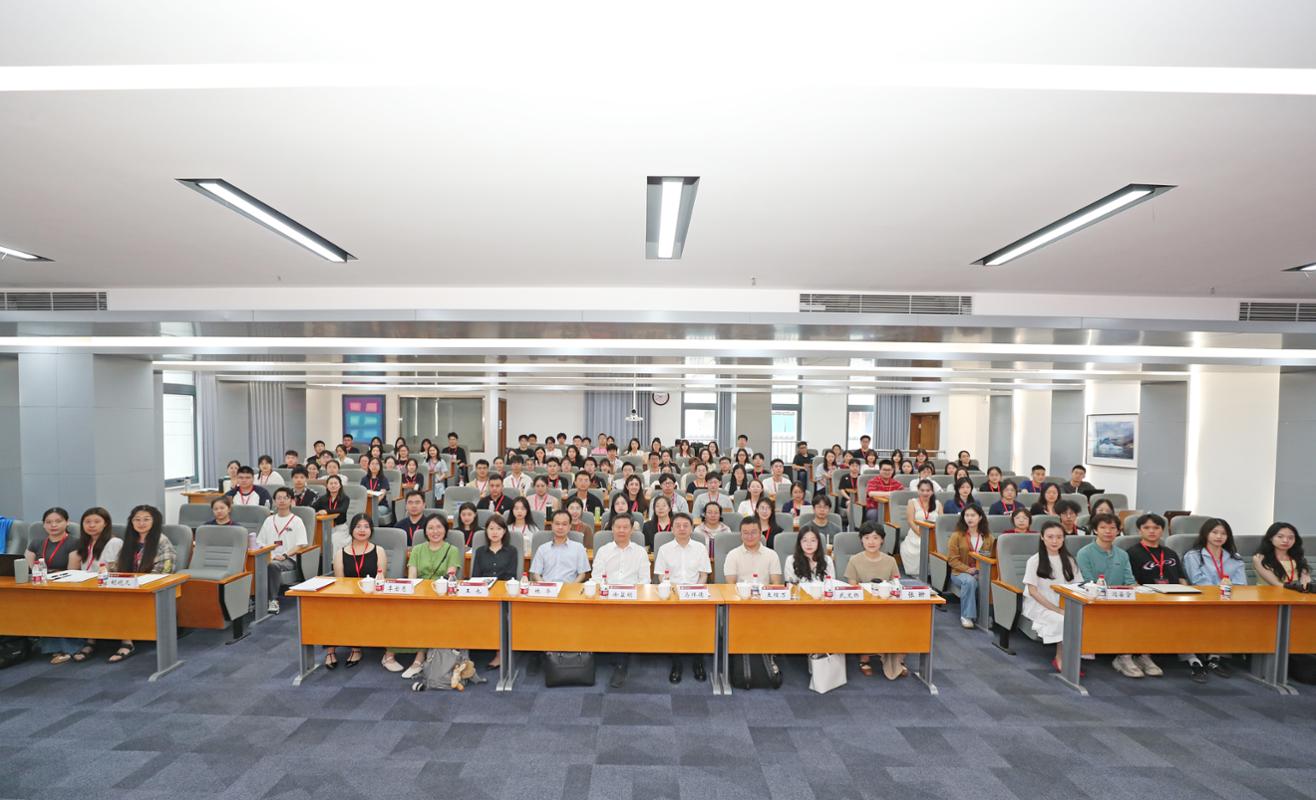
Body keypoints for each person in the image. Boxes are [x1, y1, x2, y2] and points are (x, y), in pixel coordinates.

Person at [1126, 513, 1206, 681]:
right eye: (1147, 528)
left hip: (1174, 598)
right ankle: (1144, 655)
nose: (1152, 531)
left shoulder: (1170, 553)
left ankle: (1192, 658)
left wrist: (1187, 596)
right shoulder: (1132, 553)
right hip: (1148, 599)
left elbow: (1182, 579)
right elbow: (1132, 581)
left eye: (1156, 528)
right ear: (1139, 531)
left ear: (1162, 530)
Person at [1076, 513, 1144, 678]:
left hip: (1121, 599)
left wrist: (1140, 591)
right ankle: (1125, 657)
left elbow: (1130, 581)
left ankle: (1141, 655)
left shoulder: (1122, 554)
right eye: (1103, 527)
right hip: (1095, 601)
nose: (1108, 531)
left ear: (1118, 531)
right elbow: (1087, 582)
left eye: (1112, 528)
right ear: (1095, 530)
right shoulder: (1084, 553)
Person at [111, 505, 176, 664]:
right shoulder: (130, 540)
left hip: (150, 589)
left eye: (146, 519)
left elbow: (166, 570)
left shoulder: (162, 541)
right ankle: (91, 640)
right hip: (127, 585)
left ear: (155, 521)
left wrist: (140, 584)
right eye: (137, 519)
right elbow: (118, 566)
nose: (141, 523)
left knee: (122, 603)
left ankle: (126, 643)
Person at [592, 515, 651, 687]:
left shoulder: (640, 552)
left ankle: (621, 663)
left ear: (632, 530)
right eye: (618, 527)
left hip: (631, 600)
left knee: (623, 617)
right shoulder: (603, 551)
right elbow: (596, 578)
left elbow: (645, 580)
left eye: (626, 527)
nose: (621, 530)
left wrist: (630, 595)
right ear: (612, 529)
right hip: (607, 597)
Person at [1183, 517, 1246, 678]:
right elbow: (1197, 581)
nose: (1219, 536)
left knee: (1235, 616)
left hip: (1227, 600)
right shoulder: (1194, 556)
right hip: (1202, 599)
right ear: (1206, 534)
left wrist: (1226, 592)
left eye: (1223, 533)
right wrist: (1221, 588)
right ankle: (1193, 658)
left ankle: (1215, 656)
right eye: (1214, 532)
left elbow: (1241, 584)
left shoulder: (1234, 558)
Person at [654, 513, 712, 683]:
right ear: (672, 529)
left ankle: (698, 660)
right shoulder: (664, 549)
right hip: (673, 594)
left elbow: (704, 575)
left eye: (685, 525)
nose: (681, 528)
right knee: (675, 622)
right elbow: (661, 576)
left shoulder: (700, 548)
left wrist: (695, 591)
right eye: (677, 525)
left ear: (691, 528)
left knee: (700, 620)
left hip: (695, 593)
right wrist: (673, 592)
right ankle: (676, 662)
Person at [844, 523, 907, 678]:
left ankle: (896, 658)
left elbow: (896, 585)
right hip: (863, 606)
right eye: (866, 538)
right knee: (866, 618)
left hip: (886, 605)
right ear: (861, 540)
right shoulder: (854, 560)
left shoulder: (890, 561)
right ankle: (865, 657)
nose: (871, 542)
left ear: (882, 540)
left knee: (903, 618)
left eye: (875, 538)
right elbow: (853, 588)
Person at [1023, 521, 1084, 673]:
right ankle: (1060, 658)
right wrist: (1057, 609)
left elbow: (1077, 586)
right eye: (1050, 537)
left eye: (1059, 537)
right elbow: (1033, 592)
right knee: (1064, 620)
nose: (1055, 541)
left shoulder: (1069, 560)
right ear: (1042, 537)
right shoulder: (1034, 561)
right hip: (1040, 605)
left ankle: (1074, 658)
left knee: (1083, 618)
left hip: (1065, 603)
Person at [328, 514, 386, 670]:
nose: (362, 530)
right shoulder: (340, 553)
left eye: (366, 527)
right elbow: (340, 582)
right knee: (327, 607)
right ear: (351, 530)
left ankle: (356, 648)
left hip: (371, 597)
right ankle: (330, 650)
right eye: (358, 526)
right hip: (349, 596)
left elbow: (381, 579)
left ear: (371, 530)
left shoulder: (379, 551)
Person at [25, 507, 83, 663]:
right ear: (43, 525)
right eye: (49, 522)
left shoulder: (74, 542)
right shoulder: (36, 543)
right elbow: (28, 568)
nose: (53, 525)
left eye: (58, 521)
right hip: (39, 586)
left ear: (67, 522)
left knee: (54, 604)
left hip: (65, 587)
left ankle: (66, 648)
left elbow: (72, 571)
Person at [255, 487, 308, 615]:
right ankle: (254, 600)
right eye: (279, 498)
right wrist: (271, 555)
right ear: (274, 501)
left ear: (291, 501)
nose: (282, 501)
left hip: (289, 559)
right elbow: (259, 542)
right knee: (258, 564)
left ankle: (272, 600)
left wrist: (285, 555)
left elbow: (301, 545)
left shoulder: (297, 521)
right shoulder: (269, 520)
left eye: (285, 498)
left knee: (273, 565)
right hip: (270, 557)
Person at [946, 506, 994, 629]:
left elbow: (992, 556)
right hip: (959, 572)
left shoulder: (987, 537)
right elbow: (952, 560)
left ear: (980, 517)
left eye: (973, 515)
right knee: (969, 581)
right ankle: (967, 616)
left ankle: (987, 615)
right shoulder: (956, 536)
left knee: (993, 583)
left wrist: (980, 571)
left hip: (981, 572)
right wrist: (967, 569)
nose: (969, 518)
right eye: (967, 515)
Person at [530, 509, 591, 583]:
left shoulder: (578, 548)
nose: (560, 527)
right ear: (552, 525)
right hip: (547, 587)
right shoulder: (542, 549)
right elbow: (536, 574)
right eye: (557, 524)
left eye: (564, 524)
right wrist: (544, 585)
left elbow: (582, 574)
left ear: (570, 526)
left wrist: (572, 586)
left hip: (569, 587)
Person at [724, 517, 782, 585]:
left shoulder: (772, 555)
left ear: (760, 534)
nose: (750, 536)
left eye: (753, 532)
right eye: (746, 533)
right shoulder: (732, 555)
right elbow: (730, 583)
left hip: (764, 591)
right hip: (739, 591)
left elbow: (776, 583)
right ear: (741, 535)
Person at [1255, 522, 1310, 588]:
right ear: (1270, 538)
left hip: (1295, 592)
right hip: (1268, 593)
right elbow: (1275, 583)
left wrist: (1306, 587)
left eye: (1290, 537)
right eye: (1280, 537)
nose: (1285, 540)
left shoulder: (1298, 557)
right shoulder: (1260, 558)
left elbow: (1306, 581)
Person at [902, 478, 939, 576]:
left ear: (932, 491)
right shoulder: (912, 502)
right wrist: (921, 534)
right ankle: (920, 574)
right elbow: (910, 521)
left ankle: (934, 574)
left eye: (928, 490)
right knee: (920, 546)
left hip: (933, 535)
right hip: (917, 533)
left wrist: (932, 536)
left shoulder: (938, 504)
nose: (925, 493)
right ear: (918, 491)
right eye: (922, 490)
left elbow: (941, 523)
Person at [313, 475, 351, 549]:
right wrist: (316, 513)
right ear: (327, 486)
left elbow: (342, 510)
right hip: (325, 527)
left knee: (334, 539)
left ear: (340, 485)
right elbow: (312, 508)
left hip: (340, 528)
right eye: (331, 483)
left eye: (335, 483)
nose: (333, 485)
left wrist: (326, 511)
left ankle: (334, 557)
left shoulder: (345, 498)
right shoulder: (322, 498)